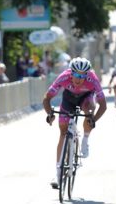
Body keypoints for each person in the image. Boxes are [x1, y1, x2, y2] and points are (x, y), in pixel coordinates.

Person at [43, 57, 106, 188]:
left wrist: (93, 119)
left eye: (82, 75)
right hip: (69, 98)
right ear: (70, 73)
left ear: (87, 75)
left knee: (88, 109)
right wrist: (50, 113)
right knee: (63, 132)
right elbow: (47, 98)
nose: (79, 78)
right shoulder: (64, 77)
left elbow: (103, 105)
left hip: (86, 98)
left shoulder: (93, 80)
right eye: (76, 75)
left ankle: (85, 140)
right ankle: (58, 173)